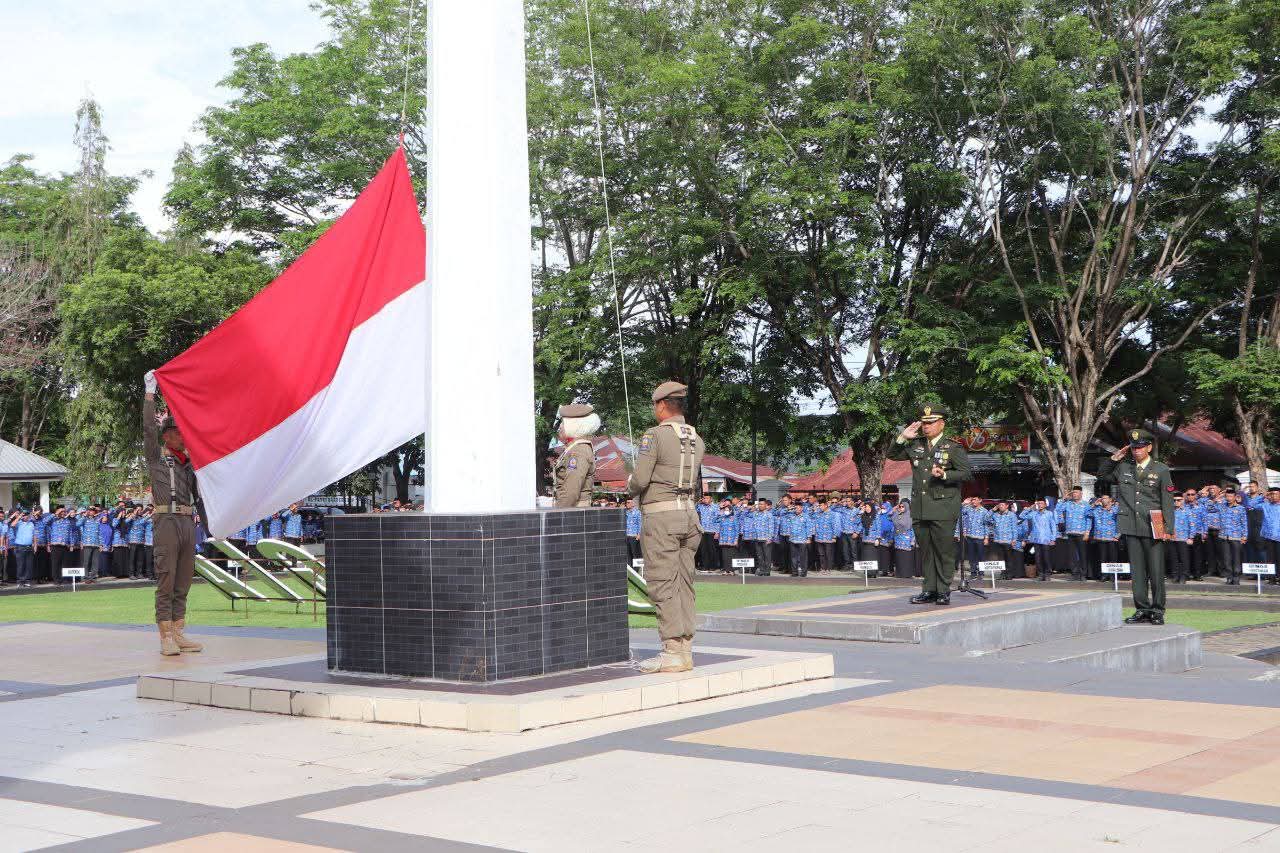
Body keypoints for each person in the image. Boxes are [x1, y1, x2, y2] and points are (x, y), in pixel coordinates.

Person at [628, 381, 705, 674]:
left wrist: (629, 486)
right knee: (685, 583)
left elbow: (641, 478)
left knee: (663, 582)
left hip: (662, 518)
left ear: (661, 405)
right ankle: (685, 647)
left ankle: (672, 649)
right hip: (689, 516)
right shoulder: (696, 438)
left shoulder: (655, 436)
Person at [143, 370, 205, 656]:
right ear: (168, 436)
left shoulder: (188, 465)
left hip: (186, 521)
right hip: (166, 520)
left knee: (183, 579)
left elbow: (200, 497)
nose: (184, 438)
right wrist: (150, 394)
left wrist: (209, 524)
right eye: (180, 433)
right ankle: (165, 636)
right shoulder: (157, 459)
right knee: (166, 578)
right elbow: (147, 430)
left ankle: (179, 632)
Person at [887, 404, 972, 604]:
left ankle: (943, 591)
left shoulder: (953, 447)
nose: (926, 426)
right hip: (920, 507)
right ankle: (929, 590)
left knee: (943, 552)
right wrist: (902, 437)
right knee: (926, 553)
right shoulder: (916, 445)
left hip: (943, 508)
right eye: (924, 423)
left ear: (941, 424)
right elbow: (892, 454)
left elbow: (966, 473)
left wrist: (945, 474)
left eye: (931, 423)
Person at [1096, 429, 1175, 625]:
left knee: (1156, 571)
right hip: (1130, 525)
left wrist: (1168, 528)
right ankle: (1142, 608)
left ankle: (1157, 610)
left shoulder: (1161, 470)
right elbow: (1102, 474)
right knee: (1137, 572)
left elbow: (1167, 501)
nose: (1137, 450)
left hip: (1153, 525)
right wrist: (1115, 458)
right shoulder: (1124, 467)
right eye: (1133, 447)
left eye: (1140, 447)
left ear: (1149, 447)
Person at [553, 403, 598, 508]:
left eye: (563, 424)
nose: (560, 428)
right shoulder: (575, 448)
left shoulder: (577, 451)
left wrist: (557, 514)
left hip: (574, 508)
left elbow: (571, 491)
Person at [1055, 486, 1092, 581]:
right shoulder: (1068, 504)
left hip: (1081, 533)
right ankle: (1074, 574)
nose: (1074, 494)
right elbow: (1058, 509)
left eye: (1076, 492)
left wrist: (1087, 533)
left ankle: (1083, 574)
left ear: (1081, 494)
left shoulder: (1086, 505)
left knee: (1082, 554)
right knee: (1072, 555)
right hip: (1070, 532)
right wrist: (1064, 498)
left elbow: (1089, 519)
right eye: (1073, 493)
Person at [1021, 499, 1058, 580]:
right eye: (1038, 503)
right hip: (1036, 539)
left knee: (1046, 557)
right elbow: (1022, 516)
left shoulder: (1049, 514)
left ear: (1045, 505)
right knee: (1038, 558)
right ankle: (1040, 574)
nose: (1040, 505)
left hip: (1046, 539)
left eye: (1041, 503)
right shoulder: (1034, 514)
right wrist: (1030, 508)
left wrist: (1053, 538)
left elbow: (1053, 526)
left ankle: (1047, 574)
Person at [956, 497, 991, 579]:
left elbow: (986, 525)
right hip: (969, 536)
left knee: (980, 555)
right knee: (971, 556)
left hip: (980, 537)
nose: (973, 501)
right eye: (972, 500)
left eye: (975, 499)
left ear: (980, 500)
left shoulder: (984, 511)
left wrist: (986, 538)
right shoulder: (968, 509)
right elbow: (958, 512)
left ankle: (981, 573)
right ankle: (973, 572)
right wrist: (963, 503)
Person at [1089, 495, 1120, 579]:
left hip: (1112, 537)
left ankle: (1113, 576)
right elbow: (1087, 513)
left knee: (1112, 557)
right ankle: (1104, 575)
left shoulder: (1115, 509)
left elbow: (1121, 522)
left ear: (1110, 500)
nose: (1103, 500)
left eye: (1105, 498)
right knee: (1102, 557)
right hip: (1100, 537)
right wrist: (1094, 504)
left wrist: (1117, 536)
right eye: (1102, 498)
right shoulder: (1097, 510)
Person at [1220, 491, 1247, 585]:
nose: (1228, 498)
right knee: (1226, 558)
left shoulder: (1240, 508)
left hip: (1236, 536)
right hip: (1224, 536)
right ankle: (1229, 576)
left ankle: (1236, 577)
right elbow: (1210, 506)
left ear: (1235, 497)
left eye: (1231, 496)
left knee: (1236, 558)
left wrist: (1244, 536)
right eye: (1227, 496)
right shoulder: (1222, 507)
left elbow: (1244, 523)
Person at [989, 500, 1021, 580]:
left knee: (1008, 558)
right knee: (1001, 558)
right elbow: (986, 519)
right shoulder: (995, 515)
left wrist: (1014, 539)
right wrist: (993, 510)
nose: (1000, 506)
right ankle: (1002, 573)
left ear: (1007, 506)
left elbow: (1014, 528)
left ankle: (1009, 574)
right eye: (999, 505)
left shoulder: (1012, 515)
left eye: (1002, 505)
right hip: (998, 540)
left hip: (1008, 540)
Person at [749, 499, 775, 577]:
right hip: (757, 538)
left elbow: (771, 527)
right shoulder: (755, 514)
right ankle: (762, 570)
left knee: (767, 556)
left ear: (766, 505)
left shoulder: (769, 514)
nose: (760, 505)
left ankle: (767, 571)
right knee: (759, 555)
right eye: (759, 504)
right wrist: (752, 508)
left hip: (766, 538)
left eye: (762, 504)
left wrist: (769, 538)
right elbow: (746, 514)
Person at [788, 502, 814, 577]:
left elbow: (809, 527)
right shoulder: (792, 516)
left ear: (802, 508)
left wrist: (809, 538)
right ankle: (794, 572)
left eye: (798, 508)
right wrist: (789, 509)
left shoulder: (806, 516)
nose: (797, 509)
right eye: (796, 508)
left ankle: (803, 572)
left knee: (803, 557)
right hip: (793, 539)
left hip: (802, 540)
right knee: (793, 557)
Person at [11, 510, 36, 588]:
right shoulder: (18, 523)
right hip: (20, 547)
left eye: (27, 515)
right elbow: (12, 525)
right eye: (24, 515)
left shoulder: (31, 524)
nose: (26, 516)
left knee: (29, 565)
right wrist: (19, 517)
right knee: (20, 565)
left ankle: (27, 581)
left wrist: (35, 545)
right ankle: (20, 581)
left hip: (29, 547)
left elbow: (34, 535)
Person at [695, 495, 720, 570]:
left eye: (707, 498)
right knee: (703, 549)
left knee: (711, 549)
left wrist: (717, 532)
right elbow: (694, 509)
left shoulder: (715, 507)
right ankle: (705, 566)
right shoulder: (701, 506)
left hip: (712, 531)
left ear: (711, 499)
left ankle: (713, 566)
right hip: (703, 530)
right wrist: (698, 502)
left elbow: (718, 520)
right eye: (704, 498)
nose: (705, 499)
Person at [715, 500, 740, 571]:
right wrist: (719, 510)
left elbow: (737, 530)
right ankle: (726, 570)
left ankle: (731, 570)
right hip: (723, 540)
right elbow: (714, 520)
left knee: (731, 555)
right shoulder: (722, 518)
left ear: (731, 511)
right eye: (725, 510)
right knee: (724, 556)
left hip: (731, 540)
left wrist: (736, 540)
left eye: (727, 510)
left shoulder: (734, 518)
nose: (725, 511)